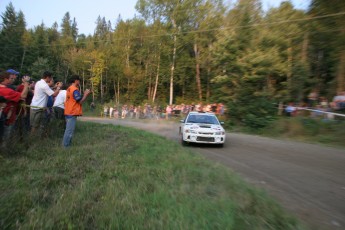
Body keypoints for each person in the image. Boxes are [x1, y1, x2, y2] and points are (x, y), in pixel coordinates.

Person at [0, 71, 30, 144]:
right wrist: (26, 84)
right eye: (11, 78)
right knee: (5, 138)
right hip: (7, 118)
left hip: (5, 116)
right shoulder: (7, 91)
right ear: (5, 79)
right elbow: (23, 96)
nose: (12, 80)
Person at [62, 75, 91, 147]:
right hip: (72, 112)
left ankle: (67, 145)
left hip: (68, 111)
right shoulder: (74, 89)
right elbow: (80, 101)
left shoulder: (69, 88)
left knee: (68, 130)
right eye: (79, 80)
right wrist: (86, 94)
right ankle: (65, 147)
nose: (79, 82)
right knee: (69, 131)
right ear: (75, 80)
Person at [30, 71, 61, 135]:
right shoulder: (44, 86)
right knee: (36, 126)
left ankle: (33, 137)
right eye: (50, 78)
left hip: (34, 106)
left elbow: (45, 89)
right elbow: (54, 94)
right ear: (47, 77)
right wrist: (58, 87)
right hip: (39, 108)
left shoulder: (38, 83)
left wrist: (54, 87)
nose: (50, 80)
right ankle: (33, 139)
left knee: (34, 125)